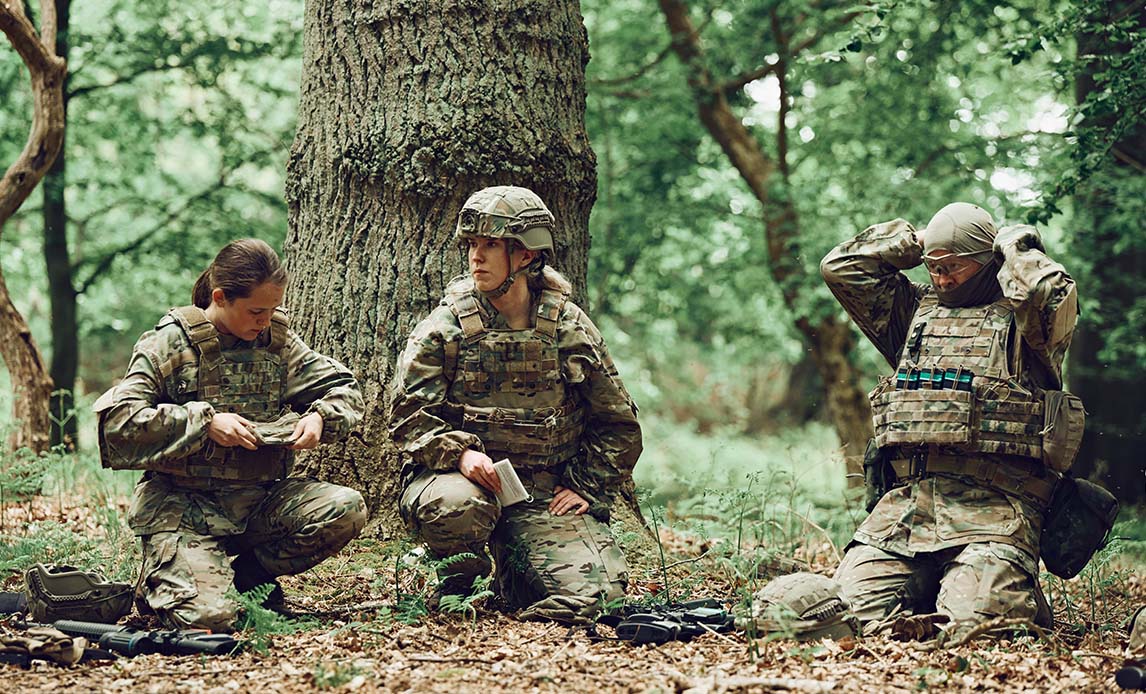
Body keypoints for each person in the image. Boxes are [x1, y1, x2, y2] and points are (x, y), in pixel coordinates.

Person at [820, 202, 1080, 638]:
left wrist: (1014, 247)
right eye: (933, 268)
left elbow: (1050, 290)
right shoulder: (911, 312)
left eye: (953, 267)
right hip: (904, 516)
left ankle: (1004, 592)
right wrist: (913, 242)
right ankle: (933, 590)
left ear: (987, 263)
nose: (941, 279)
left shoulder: (1029, 326)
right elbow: (840, 268)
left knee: (977, 632)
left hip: (996, 514)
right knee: (838, 620)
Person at [389, 185, 641, 624]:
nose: (476, 257)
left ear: (524, 255)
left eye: (490, 245)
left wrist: (586, 486)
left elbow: (618, 423)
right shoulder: (445, 327)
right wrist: (461, 455)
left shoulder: (567, 327)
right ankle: (459, 586)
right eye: (471, 245)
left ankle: (518, 571)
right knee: (457, 508)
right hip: (459, 486)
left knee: (599, 599)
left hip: (543, 494)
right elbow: (408, 419)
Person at [95, 238, 367, 632]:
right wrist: (203, 423)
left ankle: (248, 579)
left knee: (345, 509)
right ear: (220, 298)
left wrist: (322, 417)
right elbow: (117, 423)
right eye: (257, 310)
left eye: (273, 309)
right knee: (210, 620)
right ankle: (173, 578)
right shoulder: (170, 344)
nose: (265, 320)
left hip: (258, 505)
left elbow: (343, 387)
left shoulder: (275, 342)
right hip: (184, 509)